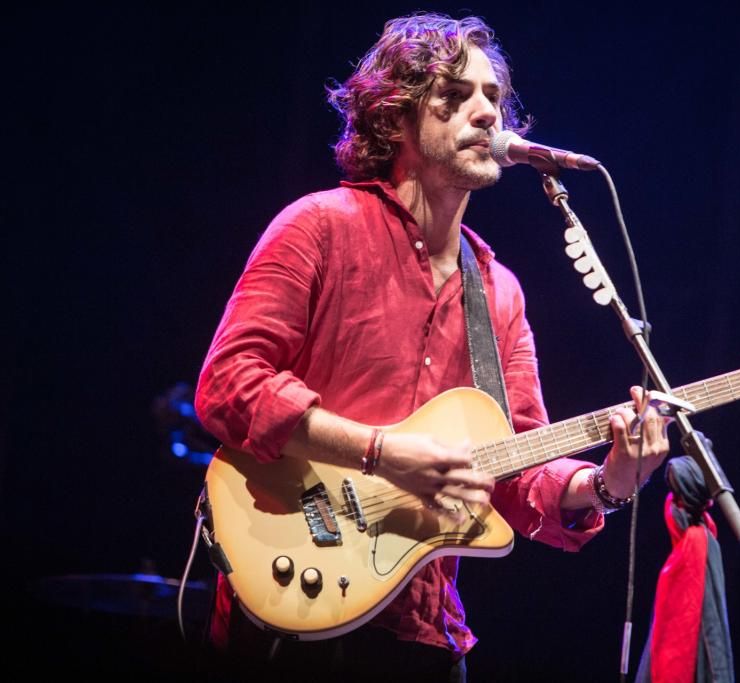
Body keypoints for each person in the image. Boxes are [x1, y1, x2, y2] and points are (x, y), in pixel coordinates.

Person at [194, 12, 670, 681]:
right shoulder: (318, 227)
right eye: (456, 94)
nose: (487, 112)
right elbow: (229, 383)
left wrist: (608, 482)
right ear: (396, 118)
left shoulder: (499, 293)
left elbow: (519, 470)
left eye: (493, 97)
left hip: (422, 635)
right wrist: (382, 453)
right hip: (289, 602)